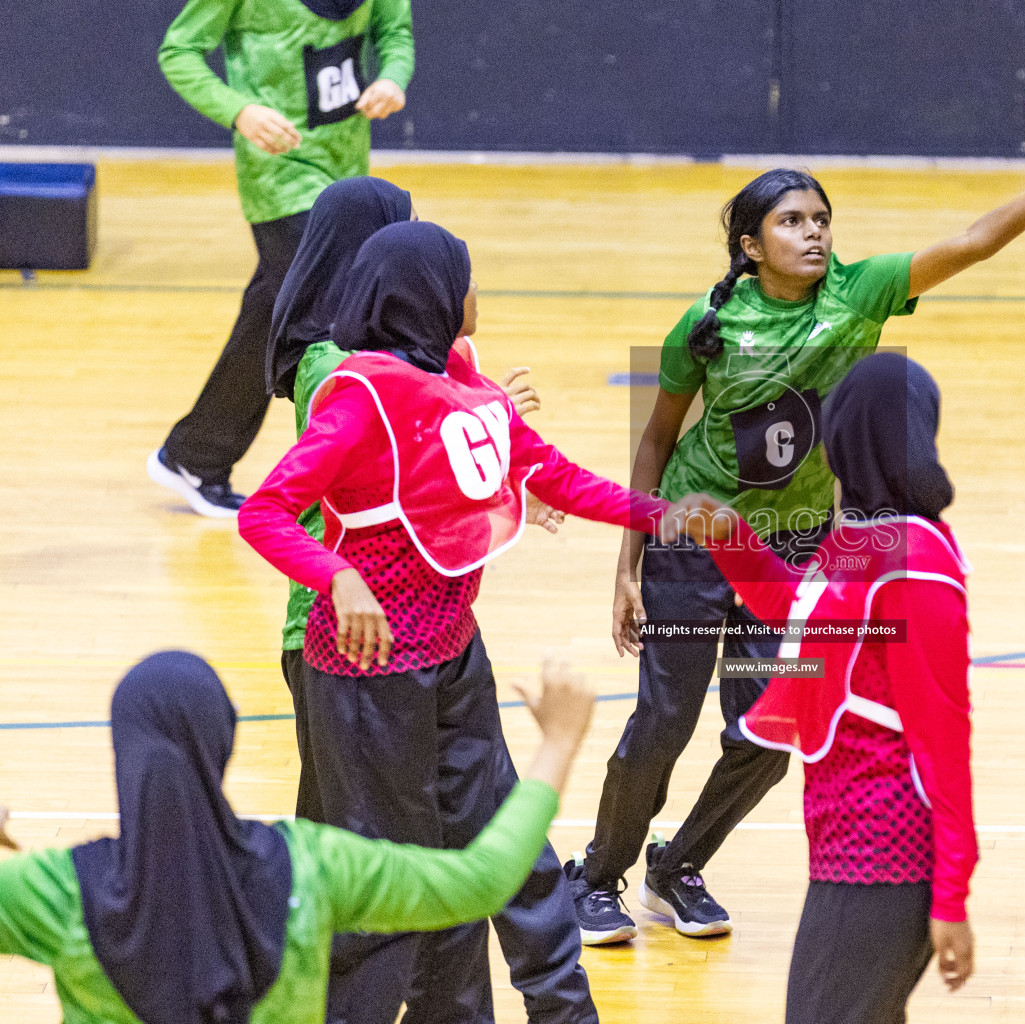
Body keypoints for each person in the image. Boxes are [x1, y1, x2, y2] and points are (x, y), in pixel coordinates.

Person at [574, 139, 1025, 945]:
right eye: (792, 222)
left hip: (790, 557)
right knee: (662, 721)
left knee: (763, 734)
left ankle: (676, 864)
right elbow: (653, 443)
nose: (814, 233)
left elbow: (974, 241)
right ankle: (597, 875)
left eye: (821, 219)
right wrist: (628, 566)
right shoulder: (706, 321)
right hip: (693, 545)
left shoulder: (860, 293)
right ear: (751, 247)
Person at [239, 220, 672, 1024]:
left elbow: (557, 474)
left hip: (453, 655)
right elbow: (264, 513)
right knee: (402, 890)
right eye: (467, 277)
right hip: (368, 680)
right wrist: (337, 579)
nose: (477, 292)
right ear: (429, 296)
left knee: (513, 850)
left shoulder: (465, 390)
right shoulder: (359, 402)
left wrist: (659, 513)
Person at [0, 650, 596, 1024]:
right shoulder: (311, 866)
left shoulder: (55, 894)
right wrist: (559, 743)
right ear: (224, 745)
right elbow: (482, 881)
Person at [661, 352, 977, 1023]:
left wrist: (951, 896)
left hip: (883, 858)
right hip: (845, 843)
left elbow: (945, 736)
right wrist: (731, 536)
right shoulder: (867, 539)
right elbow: (800, 610)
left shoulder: (915, 567)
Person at [262, 175, 547, 823]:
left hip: (386, 616)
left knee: (343, 828)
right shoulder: (339, 366)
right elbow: (408, 466)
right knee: (356, 832)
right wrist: (486, 421)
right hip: (341, 620)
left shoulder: (364, 352)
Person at [148, 0, 413, 517]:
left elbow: (394, 33)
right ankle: (344, 468)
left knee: (277, 307)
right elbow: (178, 50)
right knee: (310, 310)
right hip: (278, 170)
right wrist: (240, 110)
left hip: (345, 166)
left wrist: (393, 79)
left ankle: (194, 454)